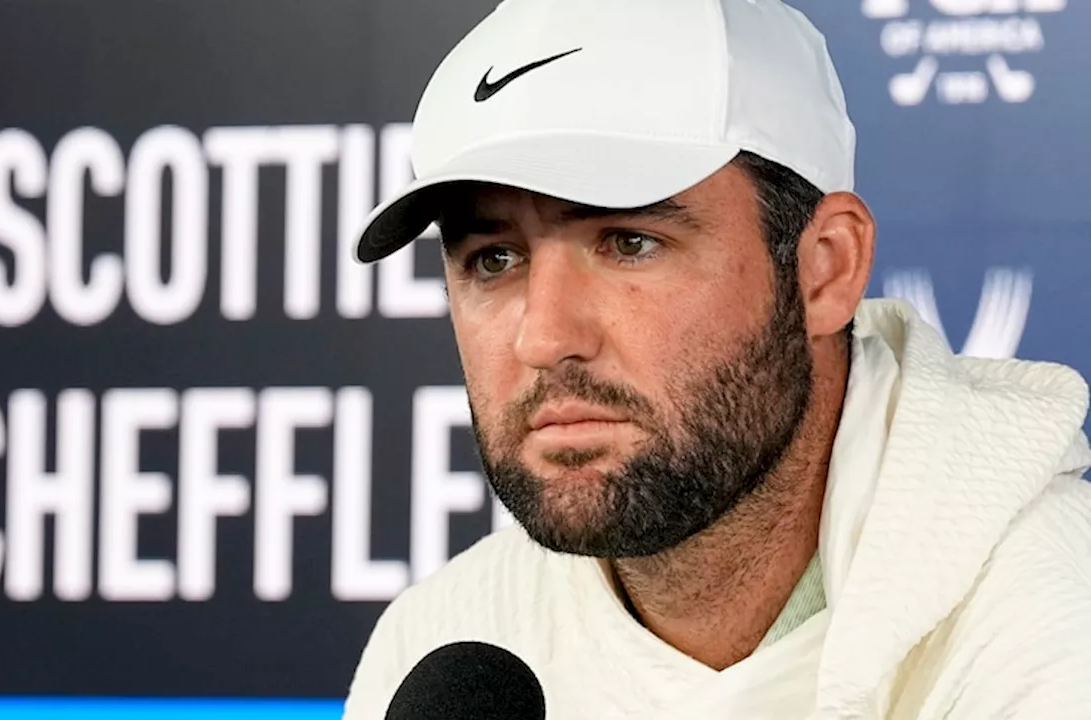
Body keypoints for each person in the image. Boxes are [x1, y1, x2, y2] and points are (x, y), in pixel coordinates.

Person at [342, 0, 1091, 717]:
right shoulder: (447, 639)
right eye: (494, 258)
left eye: (629, 243)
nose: (543, 338)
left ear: (824, 269)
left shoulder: (1052, 617)